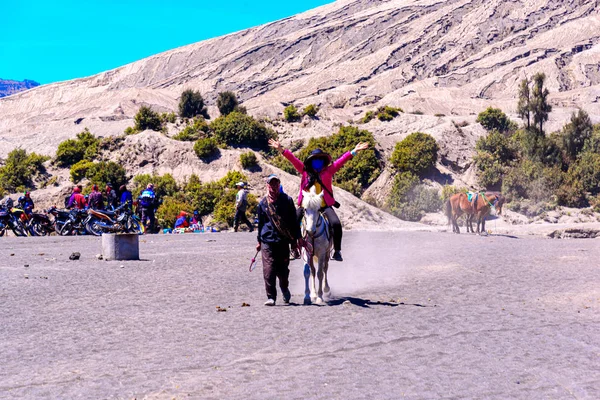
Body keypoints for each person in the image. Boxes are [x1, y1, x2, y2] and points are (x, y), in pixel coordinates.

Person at [269, 139, 370, 261]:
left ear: (323, 162)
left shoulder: (329, 171)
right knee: (292, 223)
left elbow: (341, 161)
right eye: (315, 160)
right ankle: (294, 249)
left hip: (323, 205)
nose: (318, 162)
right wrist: (281, 149)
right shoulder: (304, 171)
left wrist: (354, 151)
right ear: (311, 162)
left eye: (320, 160)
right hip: (307, 206)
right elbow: (293, 159)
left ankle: (337, 251)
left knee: (336, 224)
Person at [256, 174, 301, 306]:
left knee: (283, 271)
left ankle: (284, 288)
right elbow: (261, 224)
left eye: (276, 184)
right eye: (271, 184)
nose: (273, 186)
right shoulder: (263, 203)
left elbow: (294, 222)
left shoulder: (287, 200)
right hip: (267, 240)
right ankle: (271, 297)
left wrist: (296, 241)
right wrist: (259, 241)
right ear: (267, 185)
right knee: (268, 269)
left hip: (283, 241)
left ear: (279, 185)